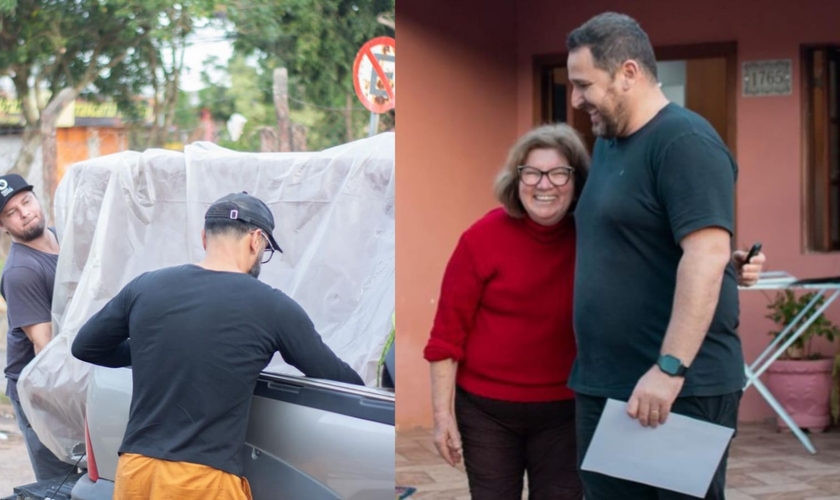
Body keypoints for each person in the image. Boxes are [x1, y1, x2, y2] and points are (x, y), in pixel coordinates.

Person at [423, 125, 764, 500]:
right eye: (532, 172)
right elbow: (445, 338)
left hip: (566, 408)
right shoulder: (481, 238)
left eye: (559, 173)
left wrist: (726, 265)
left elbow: (660, 269)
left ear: (577, 181)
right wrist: (443, 418)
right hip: (488, 412)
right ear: (516, 179)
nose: (544, 184)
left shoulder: (597, 234)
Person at [566, 12, 755, 499]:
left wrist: (669, 369)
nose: (575, 98)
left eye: (584, 84)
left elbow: (705, 254)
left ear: (628, 73)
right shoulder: (610, 144)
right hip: (607, 382)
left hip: (673, 389)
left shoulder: (684, 142)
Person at [71, 192, 364, 500]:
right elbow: (337, 379)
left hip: (137, 472)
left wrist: (155, 345)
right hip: (203, 482)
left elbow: (86, 346)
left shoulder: (145, 286)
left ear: (204, 237)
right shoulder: (273, 307)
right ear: (256, 239)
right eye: (264, 248)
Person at [0, 173, 77, 482]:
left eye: (26, 202)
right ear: (3, 226)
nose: (25, 213)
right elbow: (43, 346)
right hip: (39, 391)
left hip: (71, 374)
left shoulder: (64, 240)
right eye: (11, 213)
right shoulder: (21, 270)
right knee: (60, 483)